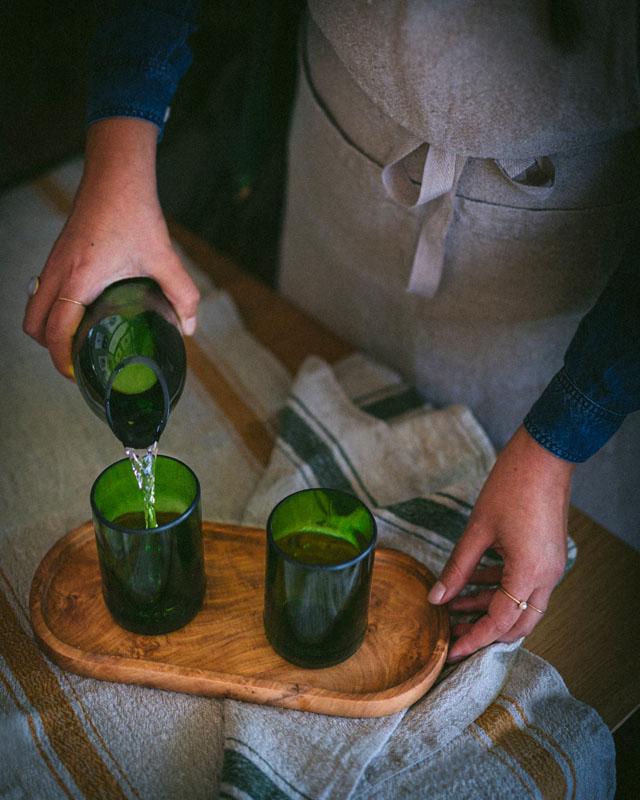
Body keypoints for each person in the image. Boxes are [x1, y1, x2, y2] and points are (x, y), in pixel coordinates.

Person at [22, 1, 640, 663]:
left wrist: (562, 438)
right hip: (344, 164)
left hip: (571, 275)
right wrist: (117, 161)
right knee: (307, 359)